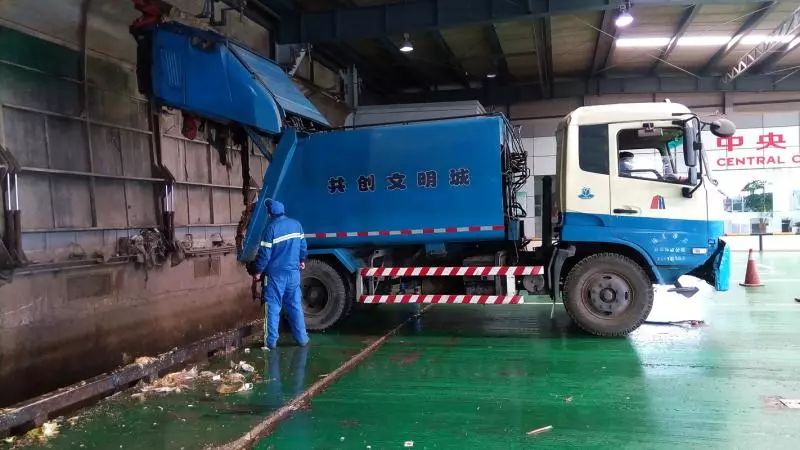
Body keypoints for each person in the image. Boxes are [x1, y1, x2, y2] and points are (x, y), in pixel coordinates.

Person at [250, 199, 309, 350]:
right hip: (293, 274)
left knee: (273, 307)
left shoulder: (270, 229)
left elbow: (264, 255)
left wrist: (258, 272)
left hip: (275, 276)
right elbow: (303, 246)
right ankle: (302, 339)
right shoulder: (296, 225)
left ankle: (270, 342)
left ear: (270, 214)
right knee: (295, 306)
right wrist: (302, 260)